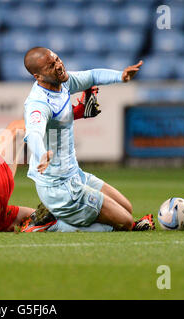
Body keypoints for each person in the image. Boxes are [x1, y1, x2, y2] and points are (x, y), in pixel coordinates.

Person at [20, 47, 154, 233]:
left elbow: (92, 76)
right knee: (125, 223)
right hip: (58, 187)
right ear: (38, 76)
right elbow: (33, 132)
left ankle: (54, 216)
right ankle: (53, 225)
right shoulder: (39, 103)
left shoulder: (63, 82)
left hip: (75, 175)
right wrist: (41, 153)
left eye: (57, 59)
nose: (59, 66)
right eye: (51, 66)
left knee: (127, 209)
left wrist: (121, 76)